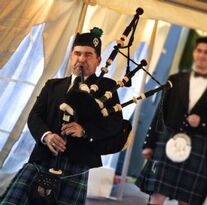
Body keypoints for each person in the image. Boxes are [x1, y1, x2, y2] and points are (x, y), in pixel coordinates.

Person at [0, 27, 123, 205]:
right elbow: (35, 116)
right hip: (43, 157)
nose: (81, 59)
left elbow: (114, 124)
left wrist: (85, 130)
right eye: (77, 53)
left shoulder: (107, 88)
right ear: (71, 56)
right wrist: (46, 136)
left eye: (88, 54)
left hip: (77, 162)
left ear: (98, 60)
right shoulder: (53, 85)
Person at [135, 36, 207, 205]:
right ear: (194, 52)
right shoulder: (175, 79)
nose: (202, 55)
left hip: (198, 144)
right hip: (169, 139)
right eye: (199, 51)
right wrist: (149, 143)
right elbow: (161, 112)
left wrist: (202, 122)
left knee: (186, 199)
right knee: (157, 195)